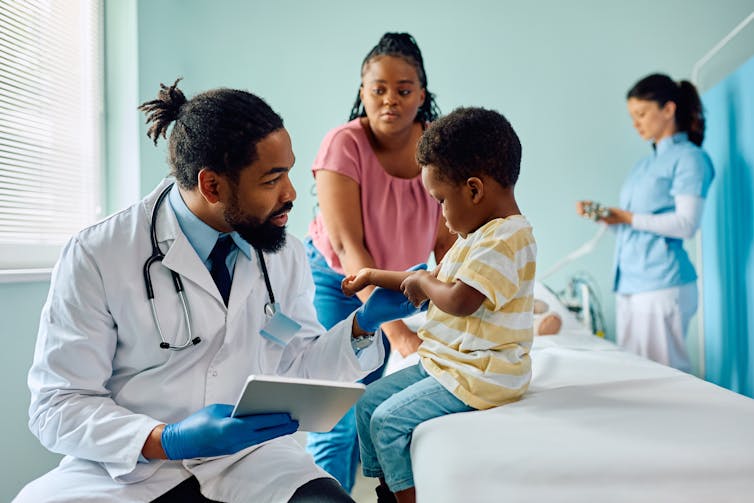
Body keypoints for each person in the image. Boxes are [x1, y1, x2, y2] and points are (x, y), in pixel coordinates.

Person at [13, 80, 426, 503]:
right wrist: (166, 439)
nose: (291, 194)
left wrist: (363, 323)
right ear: (212, 186)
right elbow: (57, 406)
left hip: (252, 461)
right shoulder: (100, 253)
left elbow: (298, 366)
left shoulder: (282, 253)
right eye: (271, 180)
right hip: (132, 471)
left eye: (289, 172)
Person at [348, 107, 537, 503]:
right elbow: (427, 281)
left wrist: (422, 281)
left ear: (473, 190)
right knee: (366, 404)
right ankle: (389, 486)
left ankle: (406, 497)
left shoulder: (505, 238)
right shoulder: (477, 235)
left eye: (440, 200)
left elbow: (460, 300)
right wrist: (373, 276)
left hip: (482, 374)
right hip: (450, 363)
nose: (442, 215)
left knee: (386, 421)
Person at [305, 32, 456, 492]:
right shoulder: (343, 145)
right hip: (339, 279)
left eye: (404, 90)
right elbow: (350, 249)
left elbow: (448, 243)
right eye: (378, 89)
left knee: (367, 391)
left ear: (421, 95)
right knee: (335, 410)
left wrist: (459, 316)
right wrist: (400, 332)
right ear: (362, 91)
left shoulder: (438, 147)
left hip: (396, 280)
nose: (390, 100)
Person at [576, 73, 715, 372]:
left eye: (641, 114)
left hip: (662, 283)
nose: (636, 123)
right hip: (630, 284)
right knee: (638, 377)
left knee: (666, 379)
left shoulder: (690, 159)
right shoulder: (644, 166)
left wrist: (627, 217)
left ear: (668, 109)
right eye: (632, 117)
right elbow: (636, 227)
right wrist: (608, 217)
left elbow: (686, 224)